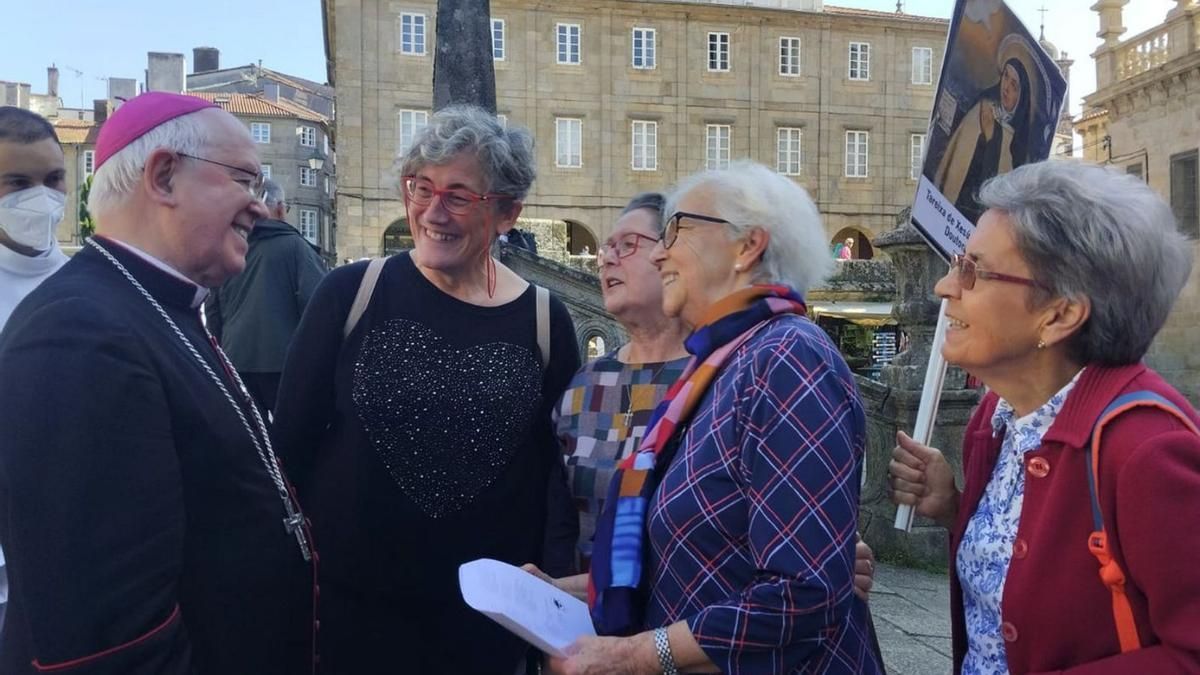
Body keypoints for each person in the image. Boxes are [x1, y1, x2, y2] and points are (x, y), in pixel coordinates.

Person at [0, 92, 314, 674]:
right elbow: (105, 642)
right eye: (245, 179)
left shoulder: (151, 304)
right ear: (165, 175)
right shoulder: (79, 335)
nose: (260, 205)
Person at [271, 105, 581, 675]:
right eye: (421, 188)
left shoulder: (545, 322)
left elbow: (554, 474)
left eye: (459, 195)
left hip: (483, 625)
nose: (433, 212)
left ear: (508, 211)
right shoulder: (350, 293)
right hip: (351, 612)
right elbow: (288, 446)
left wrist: (552, 590)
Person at [544, 161, 881, 674]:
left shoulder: (786, 356)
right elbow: (689, 562)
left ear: (748, 247)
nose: (660, 252)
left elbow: (802, 594)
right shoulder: (720, 365)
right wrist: (549, 592)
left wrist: (636, 656)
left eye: (676, 229)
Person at [889, 161, 1200, 673]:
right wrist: (956, 510)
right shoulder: (996, 416)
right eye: (955, 262)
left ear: (1059, 314)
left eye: (975, 271)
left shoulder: (1147, 448)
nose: (946, 287)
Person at [0, 106, 69, 643]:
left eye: (53, 179)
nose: (39, 197)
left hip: (64, 537)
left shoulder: (86, 279)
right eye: (17, 182)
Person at [205, 178, 327, 416]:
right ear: (280, 208)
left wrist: (222, 350)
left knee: (252, 437)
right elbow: (318, 306)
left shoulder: (230, 247)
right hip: (285, 363)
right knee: (291, 436)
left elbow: (212, 307)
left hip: (235, 359)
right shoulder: (295, 247)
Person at [934, 57, 1032, 225]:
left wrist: (992, 136)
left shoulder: (1017, 141)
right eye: (1005, 76)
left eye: (1014, 86)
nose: (1006, 87)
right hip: (949, 213)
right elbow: (954, 152)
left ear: (1021, 98)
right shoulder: (981, 109)